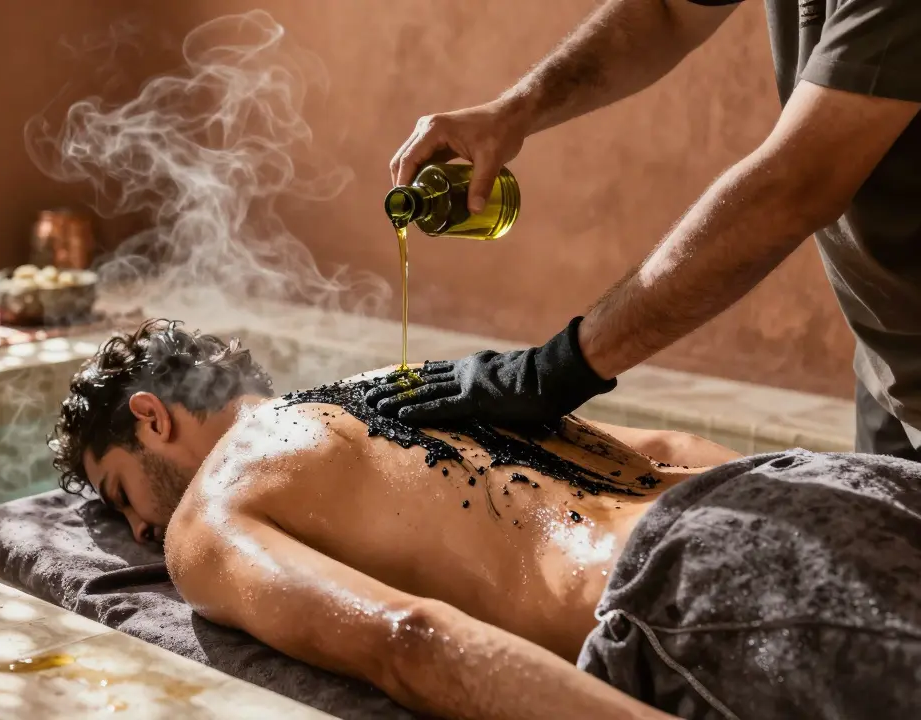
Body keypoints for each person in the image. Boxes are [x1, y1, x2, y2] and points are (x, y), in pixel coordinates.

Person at [52, 319, 921, 719]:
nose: (140, 531)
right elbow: (670, 444)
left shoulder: (210, 510)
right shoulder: (400, 385)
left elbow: (408, 639)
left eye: (122, 493)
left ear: (151, 418)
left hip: (706, 583)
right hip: (827, 487)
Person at [371, 0, 921, 460]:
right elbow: (667, 11)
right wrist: (516, 109)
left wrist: (552, 372)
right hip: (888, 360)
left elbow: (795, 185)